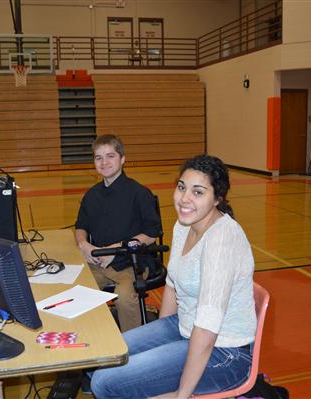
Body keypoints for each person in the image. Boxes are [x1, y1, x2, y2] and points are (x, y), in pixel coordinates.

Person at [90, 155, 256, 399]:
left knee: (105, 383)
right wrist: (161, 341)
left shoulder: (222, 240)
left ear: (217, 199)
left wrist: (181, 395)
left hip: (225, 352)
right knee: (104, 357)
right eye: (181, 187)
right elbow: (172, 285)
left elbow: (208, 329)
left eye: (198, 192)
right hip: (184, 327)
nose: (184, 199)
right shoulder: (184, 225)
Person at [75, 134, 161, 332]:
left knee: (124, 298)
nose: (104, 162)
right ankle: (94, 338)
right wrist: (83, 244)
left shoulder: (139, 193)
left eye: (110, 156)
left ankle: (133, 347)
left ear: (122, 159)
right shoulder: (91, 195)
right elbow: (81, 226)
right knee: (80, 294)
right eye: (99, 157)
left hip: (130, 263)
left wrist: (116, 249)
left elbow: (151, 234)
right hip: (97, 263)